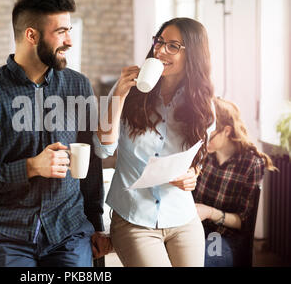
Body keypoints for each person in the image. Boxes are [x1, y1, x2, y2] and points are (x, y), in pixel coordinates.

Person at [0, 0, 108, 267]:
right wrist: (31, 167)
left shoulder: (78, 86)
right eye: (61, 32)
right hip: (7, 233)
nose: (70, 41)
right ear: (31, 35)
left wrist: (97, 224)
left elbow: (92, 163)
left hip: (69, 230)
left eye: (69, 30)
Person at [93, 17, 216, 267]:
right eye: (159, 42)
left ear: (192, 55)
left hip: (182, 216)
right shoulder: (130, 91)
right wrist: (118, 95)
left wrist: (193, 173)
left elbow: (197, 156)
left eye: (173, 46)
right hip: (134, 217)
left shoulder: (201, 103)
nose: (160, 50)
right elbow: (103, 148)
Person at [193, 97, 277, 267]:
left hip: (224, 237)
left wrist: (209, 212)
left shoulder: (252, 163)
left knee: (200, 263)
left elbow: (243, 223)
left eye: (210, 134)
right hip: (194, 228)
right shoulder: (204, 154)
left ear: (227, 131)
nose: (204, 139)